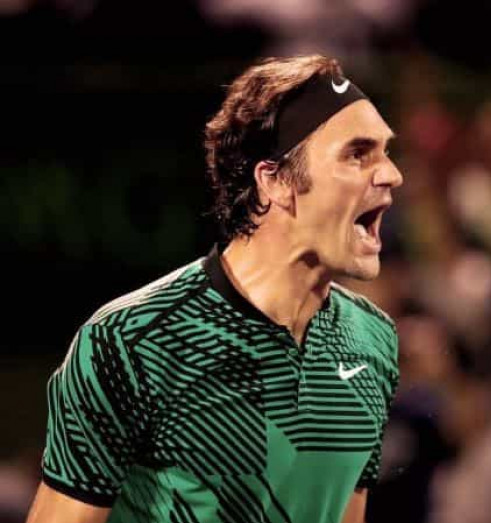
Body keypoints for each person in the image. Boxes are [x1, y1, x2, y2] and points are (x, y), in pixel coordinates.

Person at [25, 54, 404, 523]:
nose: (392, 173)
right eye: (358, 153)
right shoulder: (128, 342)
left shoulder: (373, 340)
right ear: (275, 181)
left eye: (386, 151)